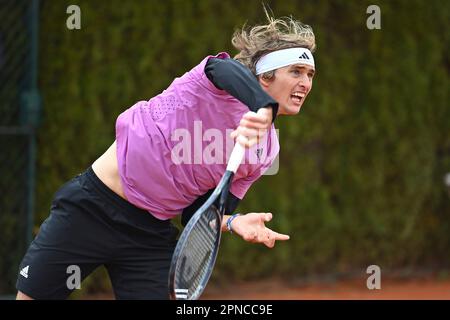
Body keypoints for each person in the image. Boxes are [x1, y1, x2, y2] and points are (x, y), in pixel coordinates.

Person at [16, 13, 316, 300]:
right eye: (296, 72)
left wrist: (232, 222)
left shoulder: (266, 150)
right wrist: (264, 108)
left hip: (148, 236)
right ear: (265, 76)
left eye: (310, 74)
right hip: (92, 208)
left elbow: (197, 214)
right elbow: (223, 69)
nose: (305, 83)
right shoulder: (211, 84)